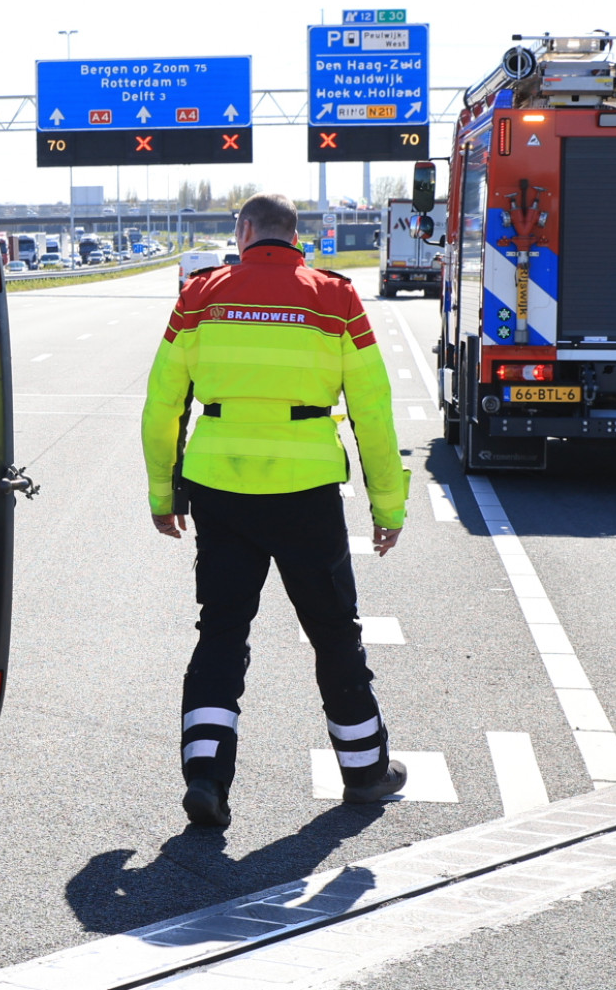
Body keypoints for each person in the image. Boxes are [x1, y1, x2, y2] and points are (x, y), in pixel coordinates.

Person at [141, 192, 410, 828]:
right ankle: (367, 772)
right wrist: (387, 504)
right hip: (307, 488)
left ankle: (206, 776)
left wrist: (163, 493)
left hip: (220, 485)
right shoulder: (335, 297)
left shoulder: (201, 295)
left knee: (223, 630)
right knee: (332, 630)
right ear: (297, 236)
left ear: (244, 231)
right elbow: (373, 410)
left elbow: (161, 405)